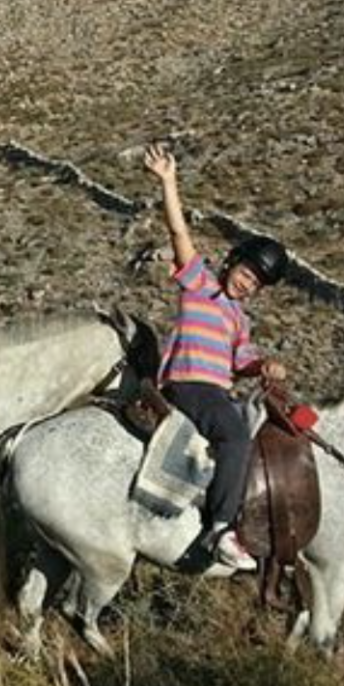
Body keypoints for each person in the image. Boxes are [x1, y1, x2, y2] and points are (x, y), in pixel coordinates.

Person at [142, 143, 290, 571]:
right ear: (231, 264)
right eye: (246, 273)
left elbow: (242, 362)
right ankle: (222, 528)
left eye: (255, 284)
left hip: (218, 392)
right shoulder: (199, 283)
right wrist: (169, 181)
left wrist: (263, 366)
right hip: (190, 385)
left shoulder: (239, 320)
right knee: (235, 438)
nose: (247, 284)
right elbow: (179, 234)